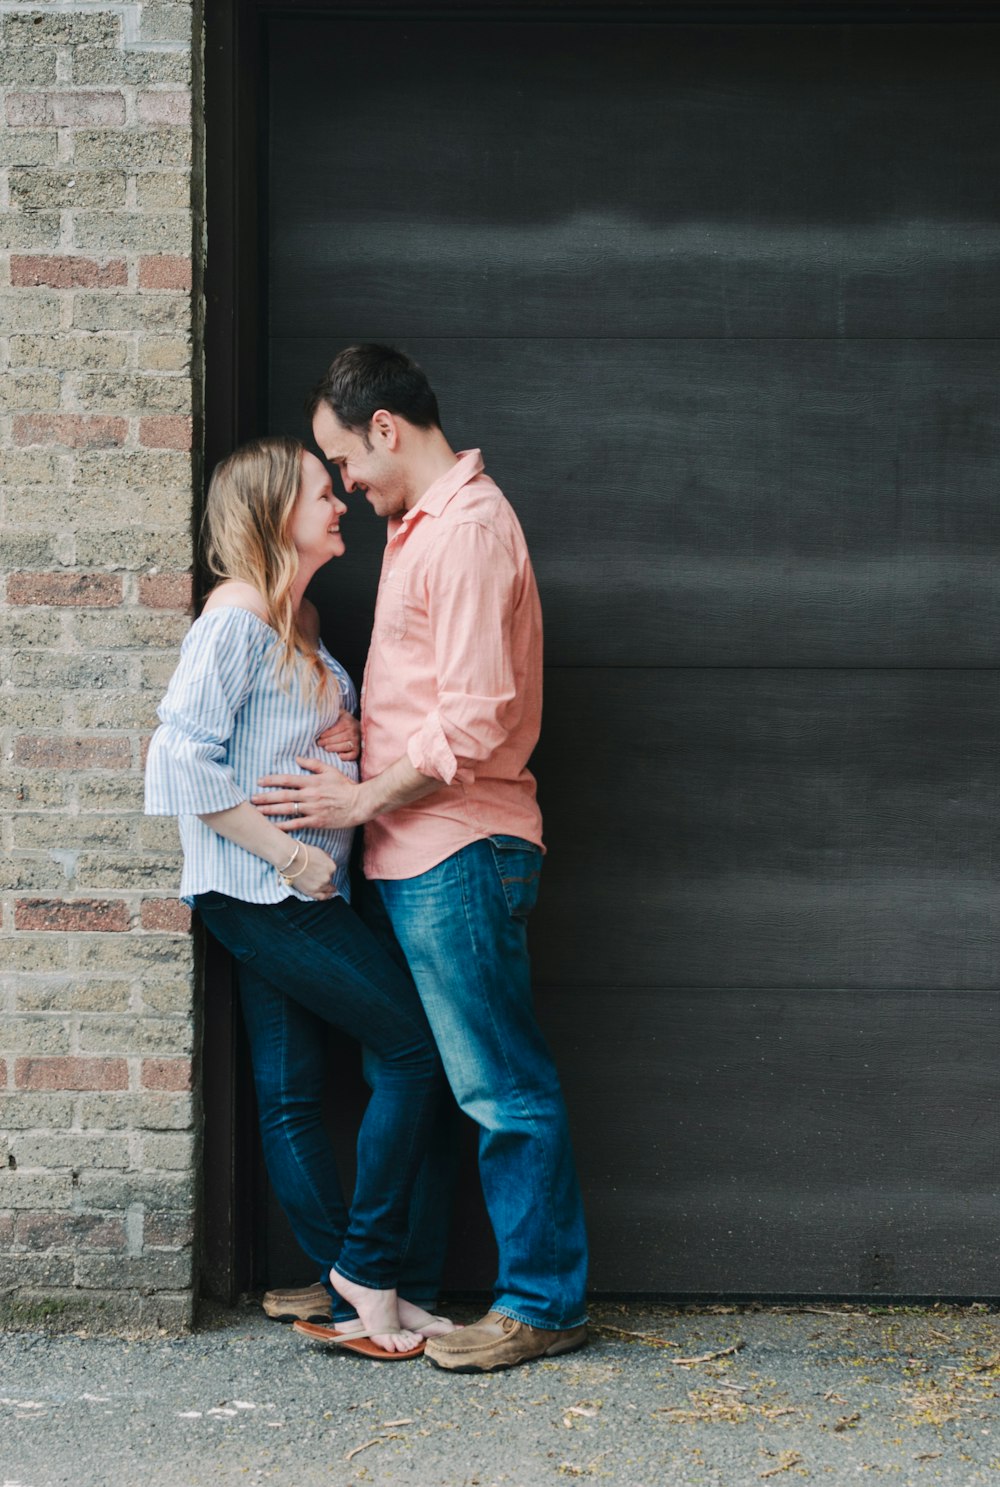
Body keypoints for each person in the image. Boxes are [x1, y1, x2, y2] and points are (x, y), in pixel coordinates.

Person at [252, 345, 589, 1371]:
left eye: (343, 457)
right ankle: (385, 1275)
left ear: (385, 429)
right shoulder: (422, 525)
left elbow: (475, 722)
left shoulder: (472, 532)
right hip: (408, 855)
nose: (345, 482)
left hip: (459, 850)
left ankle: (541, 1299)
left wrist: (358, 795)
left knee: (499, 1086)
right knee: (428, 1078)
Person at [144, 434, 456, 1359]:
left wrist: (344, 732)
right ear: (277, 512)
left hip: (293, 886)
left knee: (288, 1093)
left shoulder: (301, 619)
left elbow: (274, 735)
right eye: (323, 491)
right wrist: (291, 856)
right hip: (267, 891)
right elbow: (176, 759)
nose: (341, 503)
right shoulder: (236, 616)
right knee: (413, 1047)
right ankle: (369, 1272)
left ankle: (358, 1296)